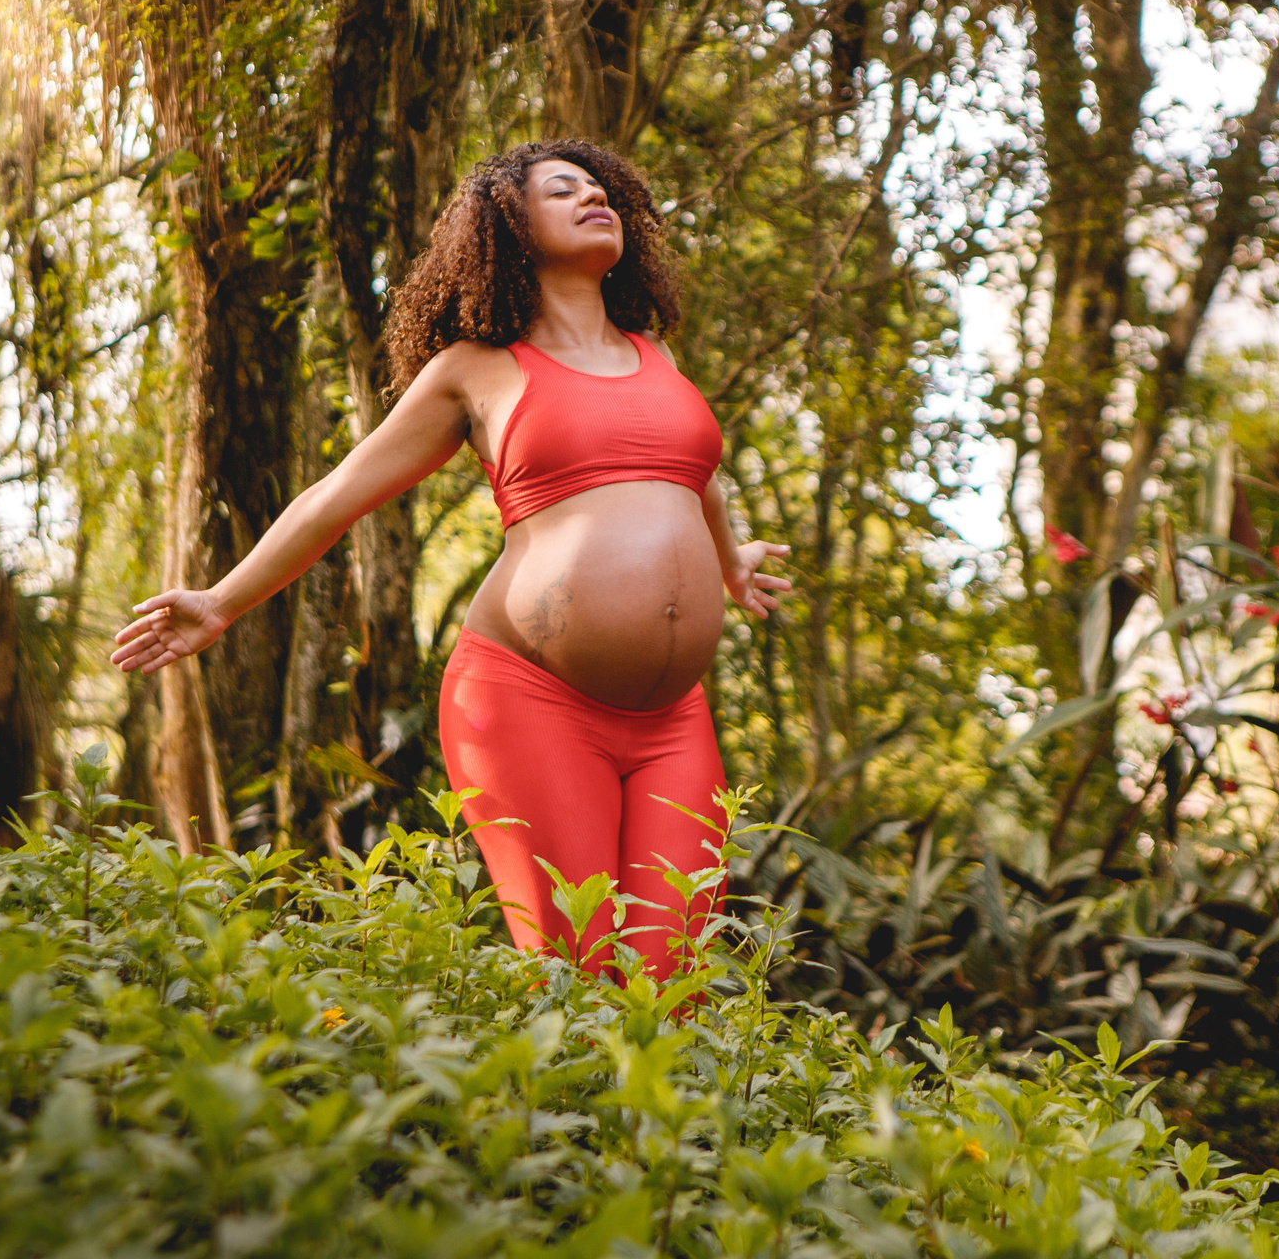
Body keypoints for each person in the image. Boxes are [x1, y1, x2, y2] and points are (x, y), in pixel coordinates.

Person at [110, 138, 791, 977]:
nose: (595, 198)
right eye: (563, 190)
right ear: (511, 227)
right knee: (580, 976)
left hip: (673, 718)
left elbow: (699, 477)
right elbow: (335, 496)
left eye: (602, 189)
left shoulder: (659, 358)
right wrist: (222, 600)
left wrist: (729, 560)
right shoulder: (475, 371)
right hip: (531, 701)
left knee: (674, 976)